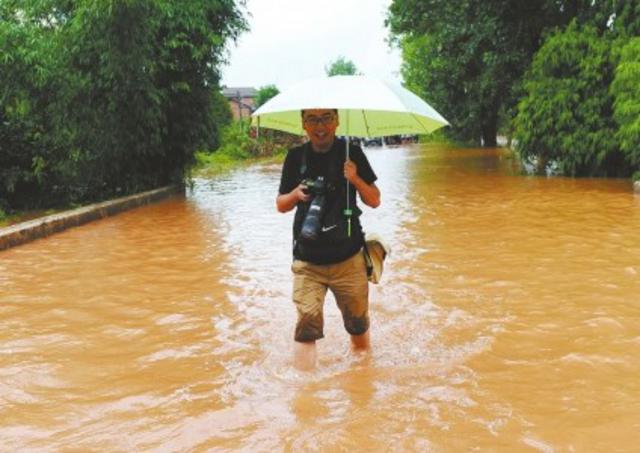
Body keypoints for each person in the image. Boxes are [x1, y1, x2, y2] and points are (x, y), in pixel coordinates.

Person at [276, 108, 381, 370]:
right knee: (306, 327)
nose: (319, 125)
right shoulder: (295, 157)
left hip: (349, 259)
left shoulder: (351, 152)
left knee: (357, 326)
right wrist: (296, 195)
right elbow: (280, 204)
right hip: (308, 262)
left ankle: (362, 378)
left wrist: (355, 178)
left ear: (336, 121)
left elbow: (375, 200)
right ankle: (305, 390)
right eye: (312, 119)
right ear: (303, 124)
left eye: (325, 118)